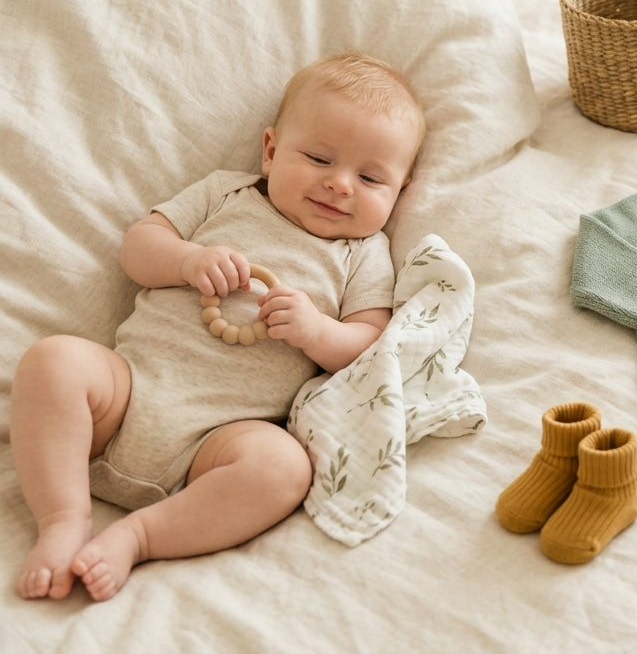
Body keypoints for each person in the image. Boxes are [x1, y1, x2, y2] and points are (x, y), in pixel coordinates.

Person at [12, 53, 425, 601]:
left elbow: (369, 345)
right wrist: (186, 260)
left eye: (371, 177)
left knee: (283, 468)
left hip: (218, 441)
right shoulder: (226, 193)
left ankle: (137, 537)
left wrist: (315, 330)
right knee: (54, 361)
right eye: (320, 158)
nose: (340, 185)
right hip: (126, 394)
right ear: (272, 150)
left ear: (400, 193)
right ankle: (63, 519)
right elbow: (138, 247)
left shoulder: (364, 254)